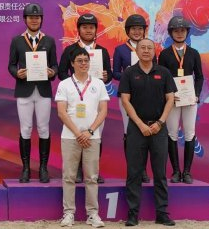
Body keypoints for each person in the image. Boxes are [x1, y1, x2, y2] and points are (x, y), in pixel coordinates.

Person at [120, 38, 177, 227]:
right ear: (136, 51)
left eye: (149, 48)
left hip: (158, 129)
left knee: (160, 173)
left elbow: (170, 99)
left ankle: (162, 213)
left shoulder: (164, 72)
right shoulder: (129, 73)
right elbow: (125, 101)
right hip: (136, 129)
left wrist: (160, 122)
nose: (146, 51)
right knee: (134, 172)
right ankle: (133, 214)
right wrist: (140, 124)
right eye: (142, 48)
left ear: (154, 51)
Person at [55, 47, 109, 228]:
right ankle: (68, 213)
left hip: (92, 137)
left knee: (92, 177)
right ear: (72, 63)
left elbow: (103, 111)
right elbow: (62, 112)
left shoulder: (98, 84)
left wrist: (90, 131)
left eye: (86, 60)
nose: (83, 64)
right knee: (69, 176)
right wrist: (79, 133)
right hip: (70, 137)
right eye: (79, 61)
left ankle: (92, 214)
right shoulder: (64, 84)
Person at [58, 13, 113, 183]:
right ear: (79, 29)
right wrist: (74, 82)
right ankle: (77, 171)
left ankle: (93, 170)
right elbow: (61, 72)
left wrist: (106, 77)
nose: (88, 30)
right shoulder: (69, 50)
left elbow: (109, 75)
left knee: (96, 135)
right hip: (75, 99)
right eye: (84, 27)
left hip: (95, 99)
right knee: (76, 133)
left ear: (96, 30)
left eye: (91, 27)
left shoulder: (102, 51)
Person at [8, 3, 58, 183]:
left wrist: (52, 72)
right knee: (26, 128)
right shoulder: (17, 41)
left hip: (43, 90)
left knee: (44, 128)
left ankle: (43, 168)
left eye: (37, 17)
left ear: (41, 19)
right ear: (25, 19)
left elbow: (55, 65)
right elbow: (11, 65)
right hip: (24, 90)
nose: (34, 20)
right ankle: (26, 168)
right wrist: (17, 73)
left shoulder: (49, 40)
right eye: (31, 17)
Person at [158, 16, 203, 184]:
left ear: (187, 32)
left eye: (182, 30)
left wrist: (196, 94)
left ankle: (187, 172)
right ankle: (176, 171)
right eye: (176, 31)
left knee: (190, 133)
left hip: (190, 99)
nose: (179, 34)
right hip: (173, 100)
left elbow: (200, 77)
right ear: (171, 33)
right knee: (172, 134)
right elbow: (161, 77)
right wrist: (167, 94)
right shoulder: (164, 54)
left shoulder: (194, 53)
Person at [113, 14, 153, 183]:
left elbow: (155, 69)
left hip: (146, 95)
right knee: (129, 132)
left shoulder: (149, 47)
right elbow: (115, 73)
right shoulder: (120, 49)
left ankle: (143, 170)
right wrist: (129, 74)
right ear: (127, 31)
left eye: (140, 29)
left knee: (144, 131)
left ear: (144, 31)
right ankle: (132, 168)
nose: (137, 32)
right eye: (133, 29)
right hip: (126, 95)